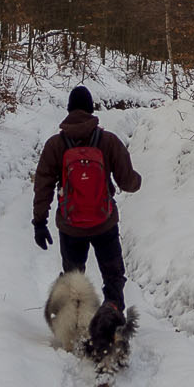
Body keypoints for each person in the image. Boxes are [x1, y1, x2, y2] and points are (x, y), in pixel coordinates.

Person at [33, 85, 141, 311]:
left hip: (70, 226)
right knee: (113, 276)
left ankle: (75, 324)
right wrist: (137, 180)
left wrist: (40, 222)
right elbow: (127, 182)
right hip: (105, 222)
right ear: (91, 109)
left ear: (69, 109)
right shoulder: (108, 141)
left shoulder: (56, 144)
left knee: (73, 281)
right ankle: (112, 317)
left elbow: (43, 184)